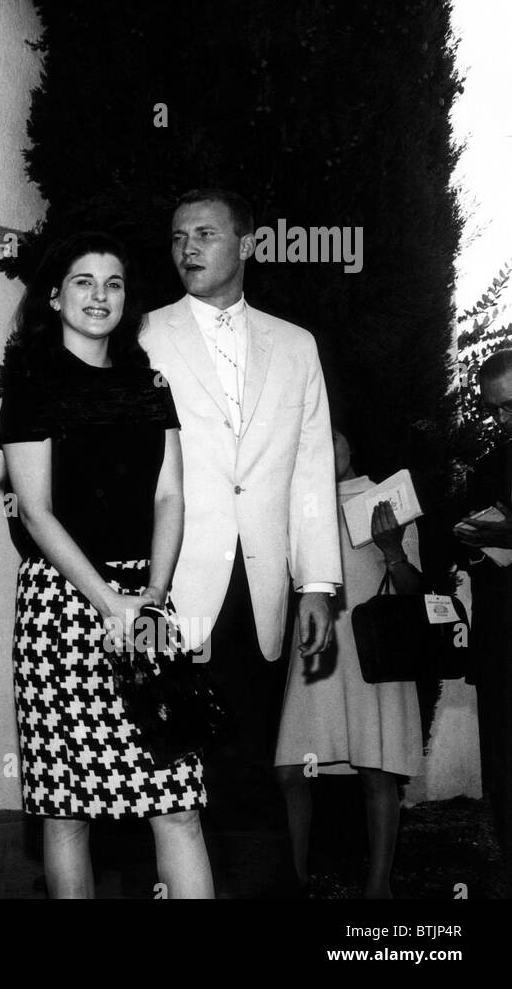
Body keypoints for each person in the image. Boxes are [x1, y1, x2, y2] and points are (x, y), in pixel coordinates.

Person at [0, 230, 212, 899]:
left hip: (146, 603)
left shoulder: (149, 384)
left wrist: (150, 597)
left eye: (113, 283)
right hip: (62, 606)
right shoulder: (32, 386)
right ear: (55, 296)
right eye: (84, 282)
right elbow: (35, 513)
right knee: (66, 810)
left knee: (177, 799)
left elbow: (171, 494)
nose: (99, 295)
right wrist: (105, 601)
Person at [139, 187, 341, 898]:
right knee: (173, 765)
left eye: (204, 234)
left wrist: (317, 582)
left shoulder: (296, 346)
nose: (187, 248)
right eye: (176, 237)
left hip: (261, 590)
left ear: (248, 243)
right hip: (172, 587)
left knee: (249, 761)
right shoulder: (143, 334)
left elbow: (311, 467)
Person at [274, 428, 424, 898]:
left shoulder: (387, 498)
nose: (326, 448)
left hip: (370, 652)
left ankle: (379, 887)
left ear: (351, 443)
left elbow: (415, 594)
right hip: (318, 647)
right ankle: (295, 878)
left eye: (334, 437)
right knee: (289, 770)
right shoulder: (297, 502)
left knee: (377, 769)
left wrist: (393, 548)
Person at [454, 349, 512, 891]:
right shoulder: (492, 467)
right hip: (501, 644)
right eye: (496, 411)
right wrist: (476, 543)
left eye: (511, 406)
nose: (504, 421)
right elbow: (471, 547)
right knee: (502, 767)